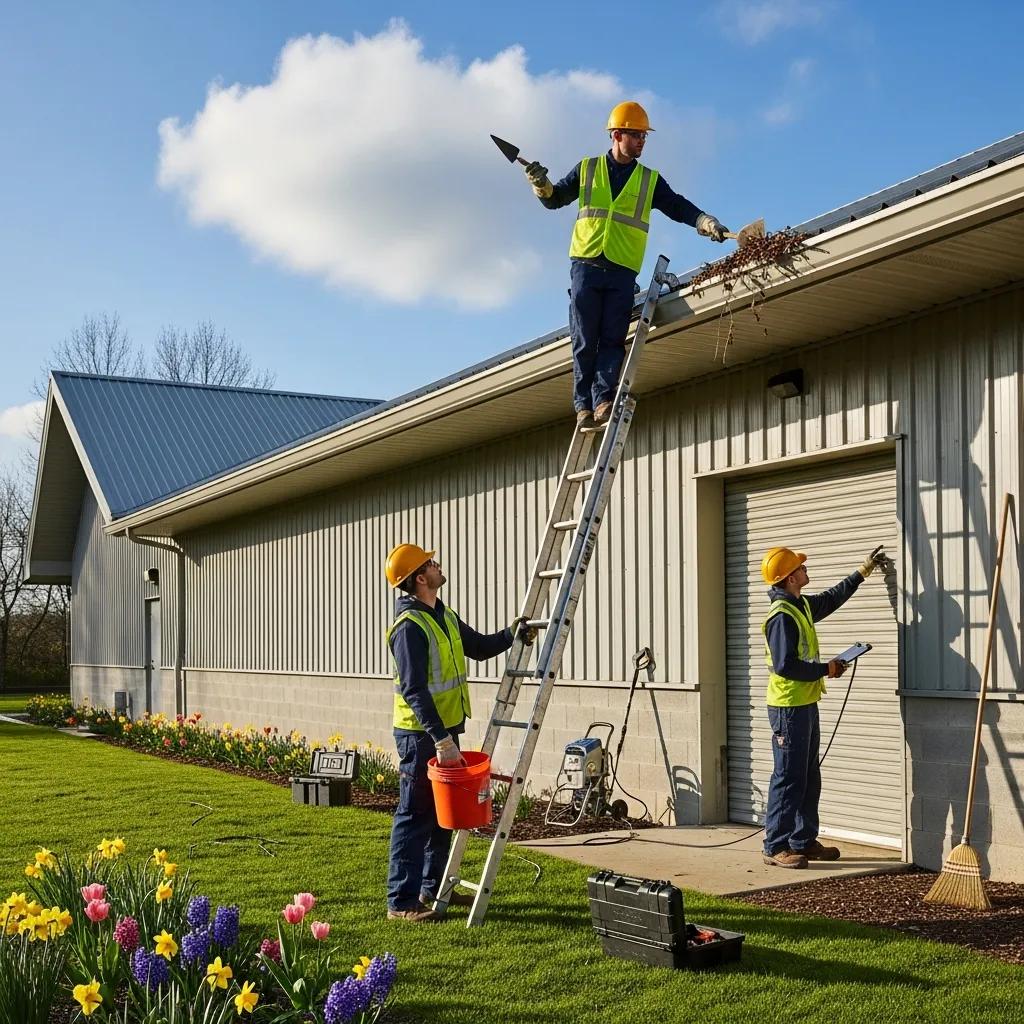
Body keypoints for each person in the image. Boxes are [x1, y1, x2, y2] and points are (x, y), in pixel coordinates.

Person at [523, 100, 729, 427]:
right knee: (584, 339)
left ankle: (603, 401)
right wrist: (539, 183)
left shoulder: (649, 180)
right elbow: (555, 199)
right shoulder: (587, 169)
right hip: (586, 264)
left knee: (612, 338)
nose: (642, 142)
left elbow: (676, 205)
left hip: (622, 269)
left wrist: (704, 221)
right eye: (636, 136)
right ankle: (583, 407)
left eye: (644, 137)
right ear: (617, 135)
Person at [383, 542, 536, 921]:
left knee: (441, 815)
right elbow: (414, 689)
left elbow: (479, 648)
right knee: (414, 814)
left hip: (444, 730)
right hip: (421, 736)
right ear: (421, 579)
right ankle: (401, 903)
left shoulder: (443, 615)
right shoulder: (409, 628)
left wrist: (510, 634)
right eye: (431, 564)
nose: (438, 565)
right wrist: (441, 739)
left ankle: (432, 891)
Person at [759, 544, 886, 868]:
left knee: (808, 776)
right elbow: (785, 666)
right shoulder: (781, 617)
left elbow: (831, 599)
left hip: (805, 703)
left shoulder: (799, 605)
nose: (804, 570)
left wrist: (863, 571)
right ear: (789, 578)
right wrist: (825, 669)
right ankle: (776, 846)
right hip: (788, 708)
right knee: (788, 777)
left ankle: (803, 840)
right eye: (799, 568)